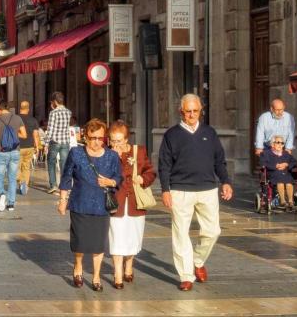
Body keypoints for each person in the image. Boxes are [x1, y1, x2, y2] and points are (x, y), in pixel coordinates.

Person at [159, 94, 233, 291]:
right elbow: (164, 165)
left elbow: (219, 160)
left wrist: (226, 181)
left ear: (201, 111)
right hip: (180, 190)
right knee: (180, 234)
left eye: (195, 111)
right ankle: (186, 276)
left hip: (208, 189)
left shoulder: (210, 132)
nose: (192, 115)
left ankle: (197, 260)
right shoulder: (171, 135)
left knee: (213, 231)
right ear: (181, 112)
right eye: (188, 111)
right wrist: (165, 190)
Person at [57, 119, 120, 292]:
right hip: (80, 203)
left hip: (102, 205)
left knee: (98, 243)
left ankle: (96, 276)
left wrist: (111, 182)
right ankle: (78, 266)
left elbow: (118, 177)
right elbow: (66, 177)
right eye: (93, 138)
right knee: (80, 241)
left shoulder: (112, 156)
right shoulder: (76, 153)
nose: (97, 142)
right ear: (85, 137)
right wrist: (62, 200)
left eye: (100, 138)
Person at [108, 120, 156, 288]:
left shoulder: (139, 151)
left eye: (119, 141)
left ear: (126, 139)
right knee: (116, 237)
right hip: (116, 202)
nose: (115, 144)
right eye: (113, 140)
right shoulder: (108, 154)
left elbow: (150, 172)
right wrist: (114, 157)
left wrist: (143, 178)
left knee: (133, 237)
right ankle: (117, 273)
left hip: (135, 203)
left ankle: (129, 264)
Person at [0, 101, 27, 212]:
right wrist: (14, 134)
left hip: (2, 151)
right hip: (15, 151)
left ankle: (2, 193)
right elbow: (24, 135)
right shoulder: (17, 118)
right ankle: (11, 204)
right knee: (12, 178)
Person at [261, 134, 297, 212]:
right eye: (278, 142)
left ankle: (291, 202)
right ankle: (283, 201)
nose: (280, 145)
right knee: (280, 182)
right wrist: (276, 166)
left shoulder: (286, 154)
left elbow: (295, 162)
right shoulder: (266, 153)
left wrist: (287, 164)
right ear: (272, 144)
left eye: (282, 143)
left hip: (285, 173)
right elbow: (263, 164)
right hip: (273, 173)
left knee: (289, 183)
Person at [46, 91, 72, 194]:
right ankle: (64, 186)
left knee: (51, 162)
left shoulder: (53, 113)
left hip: (55, 141)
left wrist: (46, 143)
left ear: (55, 101)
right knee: (64, 164)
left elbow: (50, 129)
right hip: (65, 141)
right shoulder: (68, 112)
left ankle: (53, 185)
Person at [16, 101, 40, 196]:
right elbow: (36, 135)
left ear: (20, 108)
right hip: (29, 146)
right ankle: (25, 184)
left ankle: (20, 181)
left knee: (17, 166)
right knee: (26, 167)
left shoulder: (16, 119)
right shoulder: (33, 120)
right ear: (28, 109)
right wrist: (37, 146)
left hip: (18, 146)